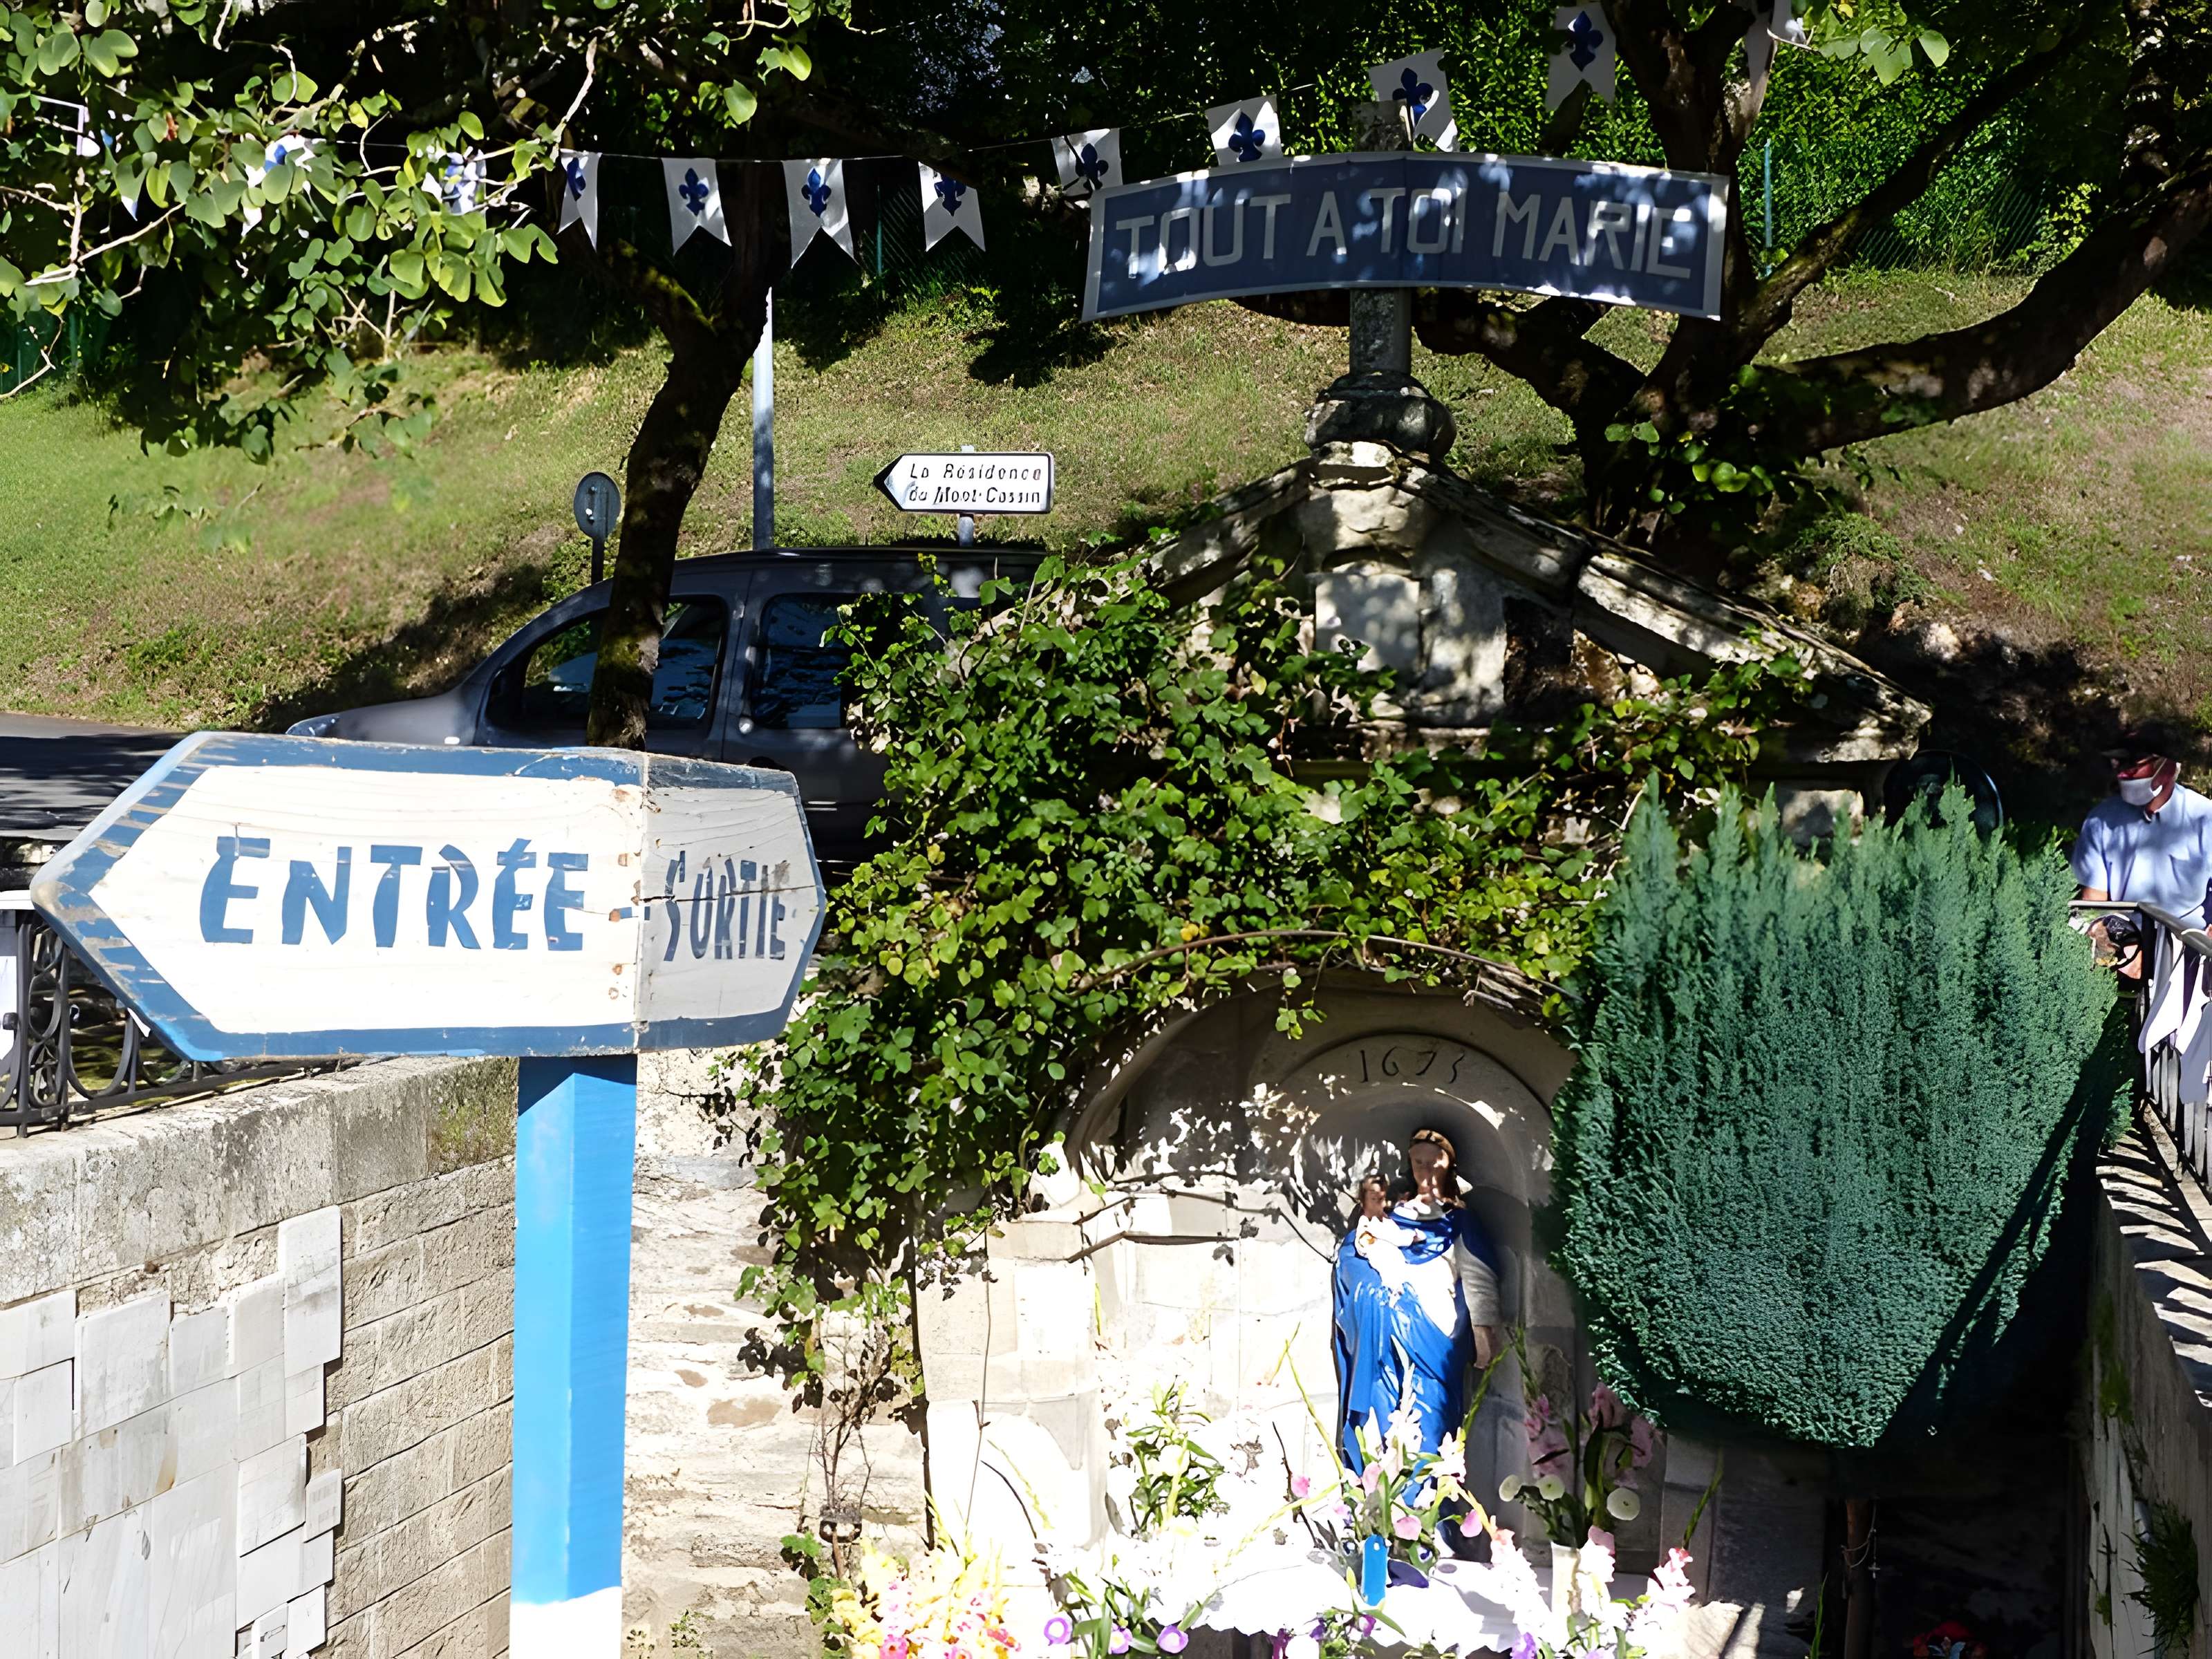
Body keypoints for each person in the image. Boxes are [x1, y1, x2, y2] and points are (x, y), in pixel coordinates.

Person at [1330, 1129, 1505, 1470]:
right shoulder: (1391, 1216)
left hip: (1434, 1326)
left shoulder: (1458, 1219)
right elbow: (1354, 1254)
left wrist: (1484, 1336)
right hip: (1383, 1329)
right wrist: (1372, 1295)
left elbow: (1479, 1277)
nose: (1425, 1169)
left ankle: (1426, 1513)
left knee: (1428, 1419)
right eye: (1418, 1161)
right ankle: (1382, 1506)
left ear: (1448, 1166)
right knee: (1384, 1421)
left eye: (1433, 1162)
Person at [2073, 748, 2212, 953]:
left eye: (2134, 763)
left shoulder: (2205, 818)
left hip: (2189, 949)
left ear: (2168, 766)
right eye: (2120, 763)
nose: (2123, 773)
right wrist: (2110, 948)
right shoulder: (2101, 820)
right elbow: (2093, 904)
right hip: (2123, 941)